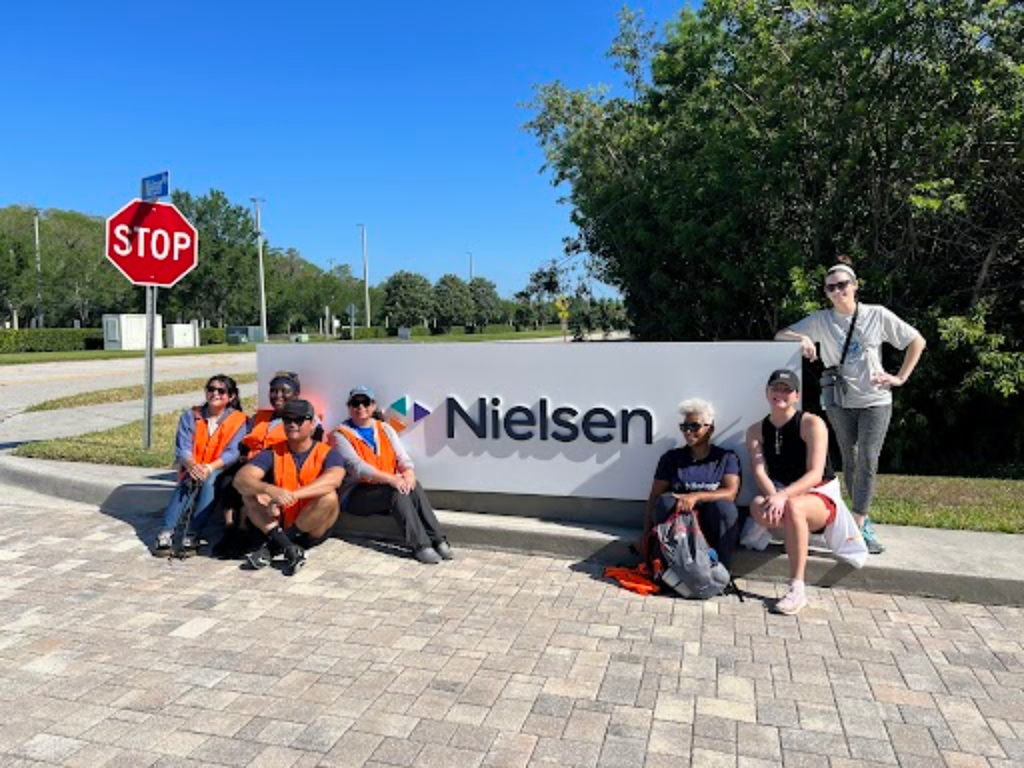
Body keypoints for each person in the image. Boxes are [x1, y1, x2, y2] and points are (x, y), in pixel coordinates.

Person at [775, 260, 926, 554]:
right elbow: (780, 335)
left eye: (843, 284)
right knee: (850, 456)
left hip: (875, 399)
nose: (837, 291)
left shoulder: (876, 315)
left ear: (855, 286)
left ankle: (858, 522)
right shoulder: (821, 319)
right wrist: (803, 337)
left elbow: (916, 341)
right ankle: (856, 517)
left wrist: (900, 378)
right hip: (838, 400)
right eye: (831, 287)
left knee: (867, 457)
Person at [746, 369, 841, 615]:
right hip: (780, 494)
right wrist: (772, 496)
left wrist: (782, 496)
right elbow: (760, 472)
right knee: (757, 505)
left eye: (787, 389)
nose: (780, 394)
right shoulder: (755, 430)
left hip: (817, 496)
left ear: (797, 395)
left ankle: (797, 587)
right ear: (766, 392)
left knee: (794, 507)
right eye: (775, 388)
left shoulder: (812, 423)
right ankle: (794, 532)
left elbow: (815, 474)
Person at [333, 385, 452, 565]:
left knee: (413, 485)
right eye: (355, 403)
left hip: (383, 488)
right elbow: (357, 467)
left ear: (373, 406)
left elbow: (401, 456)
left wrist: (408, 473)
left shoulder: (385, 429)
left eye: (365, 402)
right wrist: (391, 479)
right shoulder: (340, 434)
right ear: (349, 407)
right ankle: (420, 546)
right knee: (396, 492)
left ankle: (438, 540)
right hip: (356, 493)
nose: (360, 407)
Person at [212, 371, 323, 558]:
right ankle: (231, 530)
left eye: (284, 391)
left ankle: (245, 530)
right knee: (227, 480)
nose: (278, 396)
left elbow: (309, 450)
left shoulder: (306, 420)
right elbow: (245, 443)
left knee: (252, 485)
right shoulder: (259, 418)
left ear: (296, 394)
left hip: (280, 466)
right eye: (273, 391)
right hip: (253, 464)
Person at [233, 399, 344, 575]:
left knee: (329, 497)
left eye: (299, 420)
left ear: (312, 424)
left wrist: (290, 496)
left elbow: (334, 479)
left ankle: (272, 547)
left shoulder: (328, 452)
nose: (292, 424)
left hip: (311, 528)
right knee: (249, 493)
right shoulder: (273, 451)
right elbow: (241, 479)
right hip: (280, 521)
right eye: (287, 420)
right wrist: (269, 490)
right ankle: (288, 547)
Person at [153, 374, 249, 556]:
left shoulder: (240, 420)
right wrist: (192, 465)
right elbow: (183, 448)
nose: (215, 393)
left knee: (210, 480)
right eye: (211, 389)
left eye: (221, 391)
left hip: (220, 468)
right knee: (189, 478)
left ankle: (193, 533)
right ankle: (166, 532)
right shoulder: (190, 416)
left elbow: (233, 452)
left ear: (232, 396)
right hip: (193, 466)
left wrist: (209, 467)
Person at [644, 398, 740, 568]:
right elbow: (655, 496)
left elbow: (731, 492)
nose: (688, 432)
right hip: (680, 526)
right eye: (684, 427)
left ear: (710, 429)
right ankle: (666, 567)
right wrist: (645, 536)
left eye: (694, 426)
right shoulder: (671, 458)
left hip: (711, 524)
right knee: (665, 501)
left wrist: (695, 496)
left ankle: (721, 570)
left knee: (726, 508)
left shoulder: (726, 457)